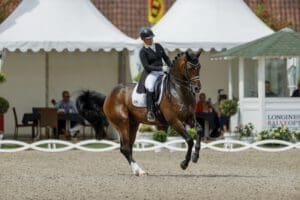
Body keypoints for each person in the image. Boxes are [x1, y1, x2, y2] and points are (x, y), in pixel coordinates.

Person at [139, 27, 172, 122]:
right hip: (152, 73)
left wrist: (171, 67)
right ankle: (150, 111)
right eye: (148, 39)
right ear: (144, 40)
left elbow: (166, 58)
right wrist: (160, 68)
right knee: (150, 86)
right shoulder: (143, 51)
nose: (151, 40)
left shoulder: (158, 46)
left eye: (151, 38)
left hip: (163, 71)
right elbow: (146, 66)